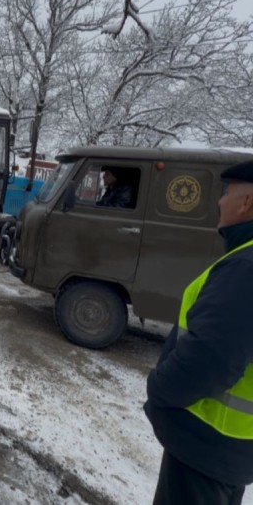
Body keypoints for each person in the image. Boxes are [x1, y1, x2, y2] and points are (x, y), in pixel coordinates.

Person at [145, 161, 253, 504]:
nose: (219, 202)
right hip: (230, 448)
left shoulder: (245, 268)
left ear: (247, 202)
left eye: (226, 193)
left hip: (206, 446)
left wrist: (158, 390)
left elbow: (212, 360)